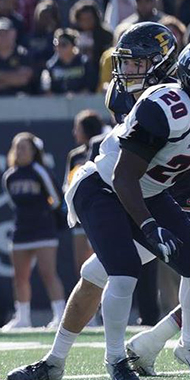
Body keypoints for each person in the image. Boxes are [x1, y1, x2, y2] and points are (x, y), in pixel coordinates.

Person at [9, 23, 190, 380]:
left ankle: (185, 345)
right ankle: (112, 360)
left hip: (157, 191)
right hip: (111, 187)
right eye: (125, 63)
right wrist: (148, 224)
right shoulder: (165, 105)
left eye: (135, 63)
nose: (125, 71)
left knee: (170, 264)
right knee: (117, 271)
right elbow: (125, 171)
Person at [2, 133, 66, 330]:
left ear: (33, 151)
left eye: (24, 148)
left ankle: (61, 316)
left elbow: (55, 199)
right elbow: (12, 203)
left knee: (48, 273)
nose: (20, 151)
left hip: (43, 230)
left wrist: (42, 213)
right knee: (20, 276)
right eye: (17, 147)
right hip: (21, 231)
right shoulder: (9, 175)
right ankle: (22, 318)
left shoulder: (40, 170)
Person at [64, 110, 104, 274]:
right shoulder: (75, 156)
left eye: (77, 128)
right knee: (82, 265)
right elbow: (67, 183)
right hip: (81, 215)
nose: (74, 132)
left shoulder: (105, 149)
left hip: (102, 212)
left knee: (104, 262)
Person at [41, 28, 96, 95]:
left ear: (73, 46)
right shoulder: (51, 66)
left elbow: (90, 87)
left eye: (63, 44)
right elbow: (47, 91)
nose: (59, 48)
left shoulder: (84, 63)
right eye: (57, 44)